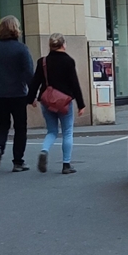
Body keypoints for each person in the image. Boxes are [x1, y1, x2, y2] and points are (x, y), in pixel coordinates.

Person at [0, 15, 34, 172]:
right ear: (16, 29)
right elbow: (29, 73)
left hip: (0, 93)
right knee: (20, 127)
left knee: (3, 124)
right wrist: (32, 95)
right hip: (18, 94)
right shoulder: (22, 49)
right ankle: (18, 161)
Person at [27, 33, 86, 174]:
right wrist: (81, 104)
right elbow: (74, 83)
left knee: (52, 131)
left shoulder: (43, 62)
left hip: (47, 101)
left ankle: (44, 150)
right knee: (67, 132)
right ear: (63, 44)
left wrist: (31, 98)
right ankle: (66, 164)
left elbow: (35, 81)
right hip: (64, 102)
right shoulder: (68, 61)